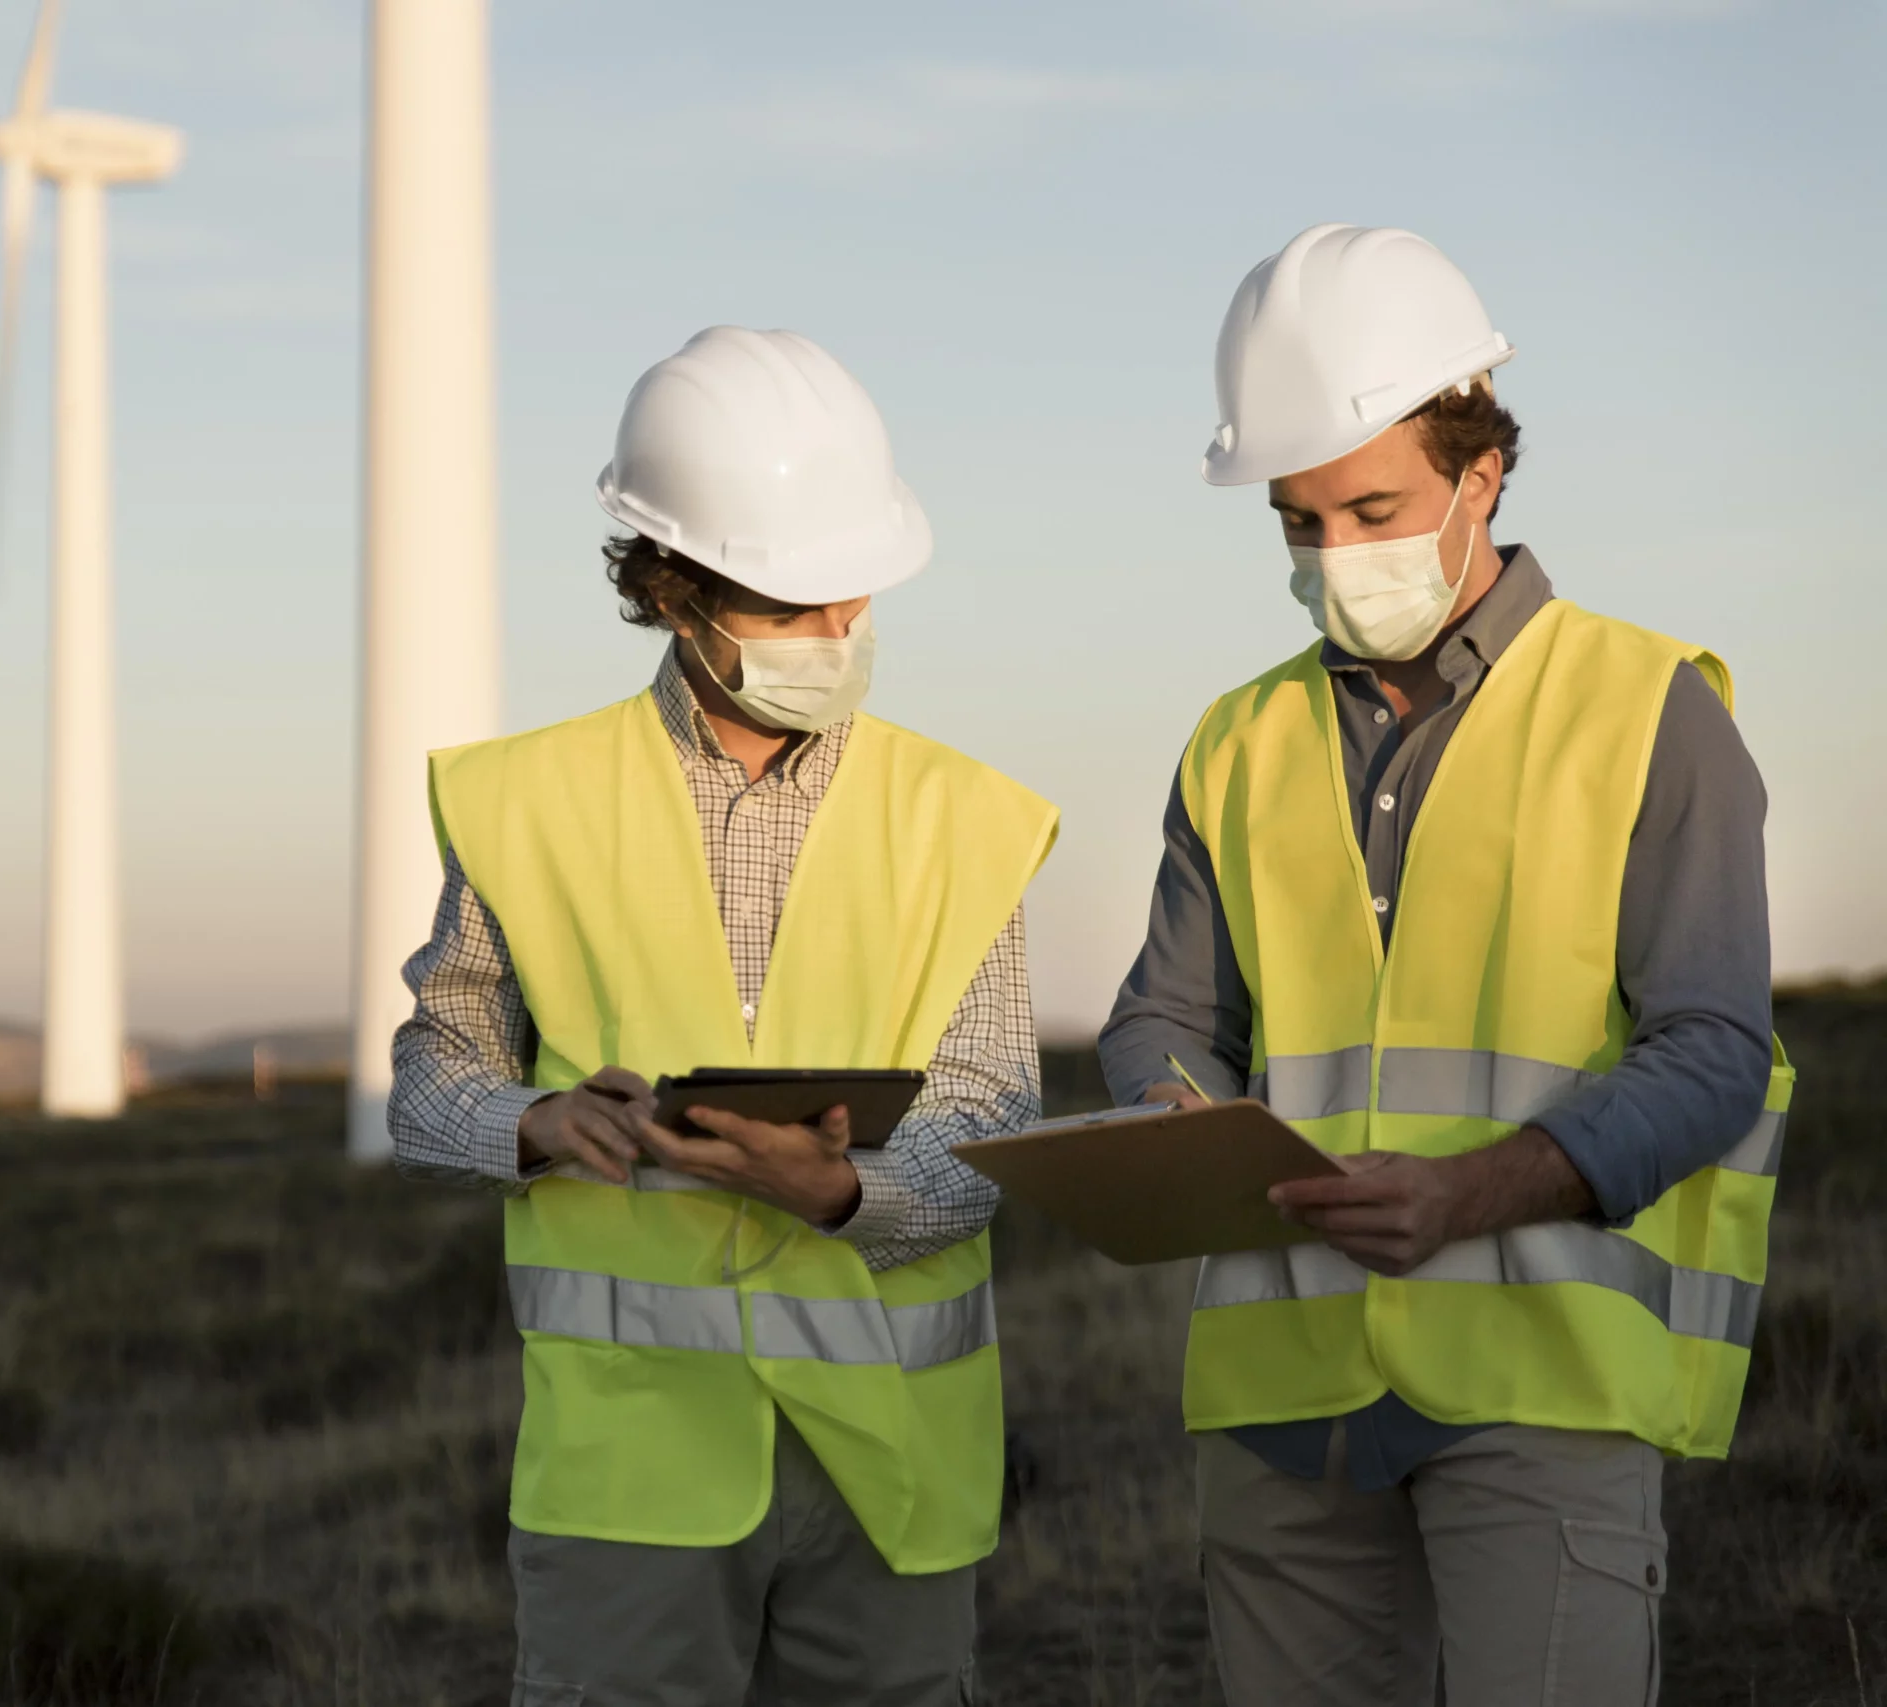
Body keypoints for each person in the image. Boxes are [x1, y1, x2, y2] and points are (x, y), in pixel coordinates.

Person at [1098, 224, 1792, 1706]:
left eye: (1373, 507)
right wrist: (1176, 1118)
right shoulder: (1236, 739)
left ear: (1484, 475)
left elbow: (1712, 1047)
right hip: (1285, 1405)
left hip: (1542, 1386)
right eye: (1300, 521)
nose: (1337, 556)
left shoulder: (1651, 710)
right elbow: (1166, 1011)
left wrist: (1473, 1191)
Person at [390, 325, 1058, 1706]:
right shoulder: (524, 804)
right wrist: (538, 1121)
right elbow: (428, 1081)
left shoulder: (968, 821)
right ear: (672, 588)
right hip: (630, 1485)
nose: (831, 635)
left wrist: (845, 1192)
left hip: (893, 1476)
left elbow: (993, 1119)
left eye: (850, 599)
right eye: (787, 602)